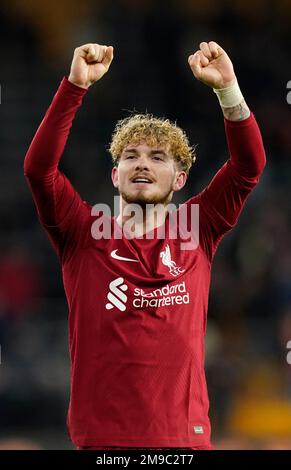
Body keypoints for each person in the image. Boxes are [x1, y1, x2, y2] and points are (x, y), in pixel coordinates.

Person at [24, 41, 266, 450]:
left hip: (183, 443)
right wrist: (74, 87)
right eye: (131, 156)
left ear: (179, 179)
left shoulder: (198, 228)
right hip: (103, 445)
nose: (142, 163)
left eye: (158, 157)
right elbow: (38, 170)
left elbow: (248, 166)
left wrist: (228, 91)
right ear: (115, 175)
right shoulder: (81, 233)